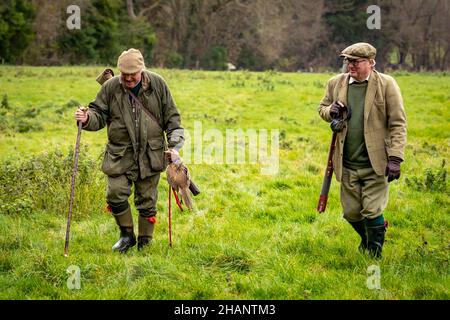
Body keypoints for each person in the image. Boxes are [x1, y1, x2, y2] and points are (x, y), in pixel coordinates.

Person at [74, 48, 185, 253]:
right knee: (115, 193)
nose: (128, 78)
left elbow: (173, 118)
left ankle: (145, 242)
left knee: (147, 201)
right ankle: (126, 236)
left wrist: (175, 146)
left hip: (150, 154)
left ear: (141, 70)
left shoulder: (157, 84)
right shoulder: (110, 87)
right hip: (119, 154)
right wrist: (87, 118)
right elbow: (98, 114)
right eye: (124, 75)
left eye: (132, 74)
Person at [318, 42, 407, 258]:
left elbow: (398, 123)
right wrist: (331, 111)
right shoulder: (335, 83)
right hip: (346, 162)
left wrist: (395, 158)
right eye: (347, 60)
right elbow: (322, 109)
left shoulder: (386, 84)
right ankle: (370, 238)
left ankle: (374, 254)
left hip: (376, 163)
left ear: (371, 62)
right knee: (351, 213)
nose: (350, 65)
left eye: (355, 61)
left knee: (371, 210)